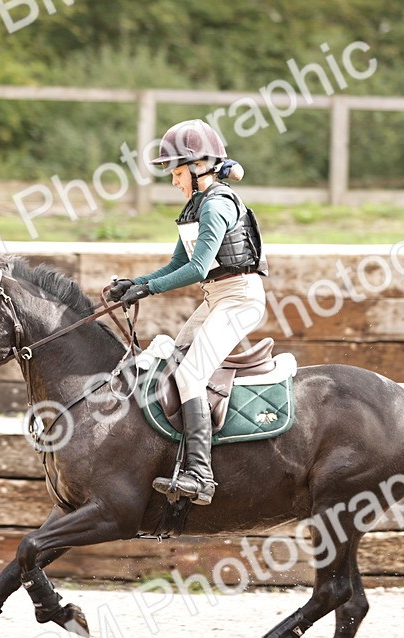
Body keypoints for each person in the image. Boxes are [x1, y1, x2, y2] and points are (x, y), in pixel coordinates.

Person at [108, 119, 267, 506]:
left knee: (191, 373)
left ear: (199, 169)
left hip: (240, 299)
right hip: (217, 298)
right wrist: (135, 282)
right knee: (173, 360)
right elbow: (171, 265)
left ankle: (202, 475)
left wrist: (149, 288)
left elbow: (197, 269)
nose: (174, 181)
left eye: (178, 172)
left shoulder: (217, 206)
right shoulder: (195, 207)